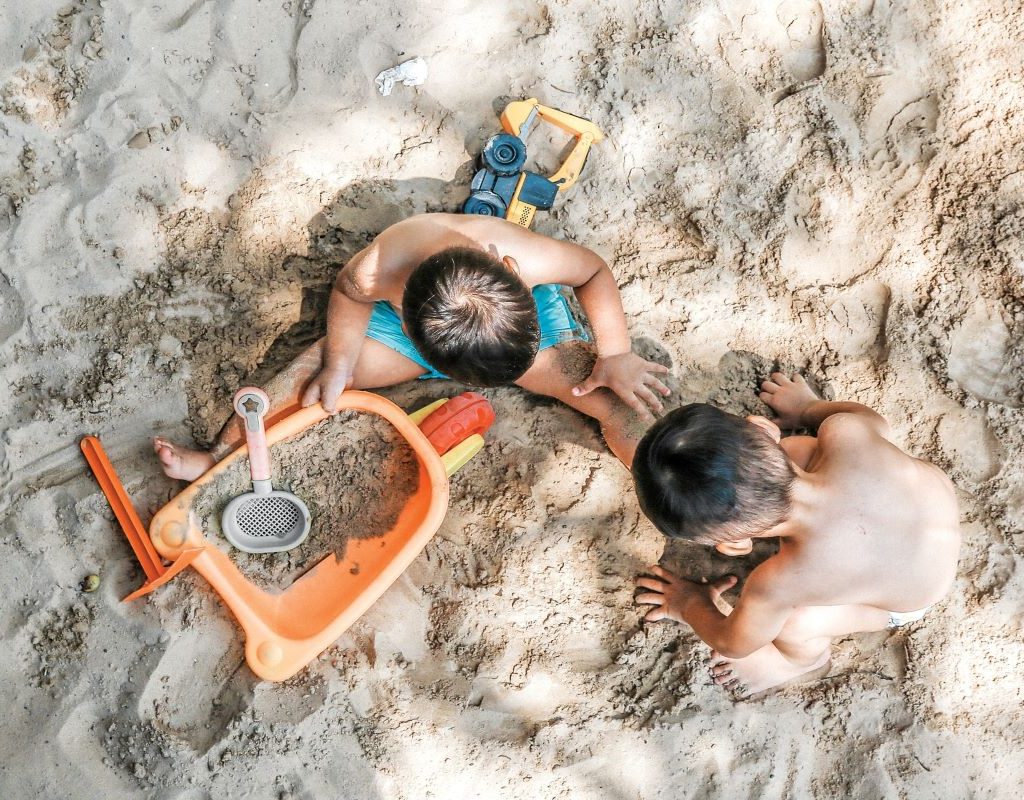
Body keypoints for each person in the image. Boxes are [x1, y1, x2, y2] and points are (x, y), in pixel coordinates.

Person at [154, 213, 669, 478]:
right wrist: (339, 364)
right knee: (311, 377)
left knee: (612, 398)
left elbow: (594, 270)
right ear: (402, 314)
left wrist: (617, 353)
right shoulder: (379, 268)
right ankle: (219, 457)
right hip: (428, 333)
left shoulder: (526, 257)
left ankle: (655, 471)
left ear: (510, 269)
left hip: (516, 329)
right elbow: (349, 297)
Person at [631, 372, 960, 697]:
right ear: (763, 429)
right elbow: (873, 419)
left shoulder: (780, 581)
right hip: (934, 516)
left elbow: (733, 642)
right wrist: (808, 409)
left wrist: (689, 602)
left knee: (794, 624)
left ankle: (798, 661)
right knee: (801, 449)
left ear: (731, 540)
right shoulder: (845, 430)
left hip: (912, 601)